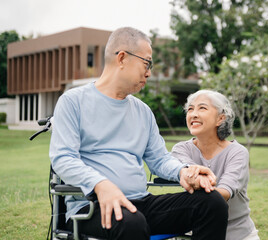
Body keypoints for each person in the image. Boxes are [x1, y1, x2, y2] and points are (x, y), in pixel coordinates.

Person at [49, 27, 228, 240]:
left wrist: (184, 172)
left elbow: (159, 159)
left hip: (140, 203)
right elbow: (63, 158)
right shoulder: (73, 102)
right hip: (92, 206)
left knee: (212, 203)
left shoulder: (143, 111)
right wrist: (101, 185)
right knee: (132, 223)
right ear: (122, 58)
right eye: (147, 63)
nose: (149, 72)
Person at [171, 90, 260, 240]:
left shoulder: (237, 152)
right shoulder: (181, 149)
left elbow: (224, 192)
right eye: (190, 109)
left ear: (220, 118)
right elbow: (193, 176)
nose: (193, 114)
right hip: (195, 232)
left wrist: (198, 181)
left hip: (238, 234)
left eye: (202, 108)